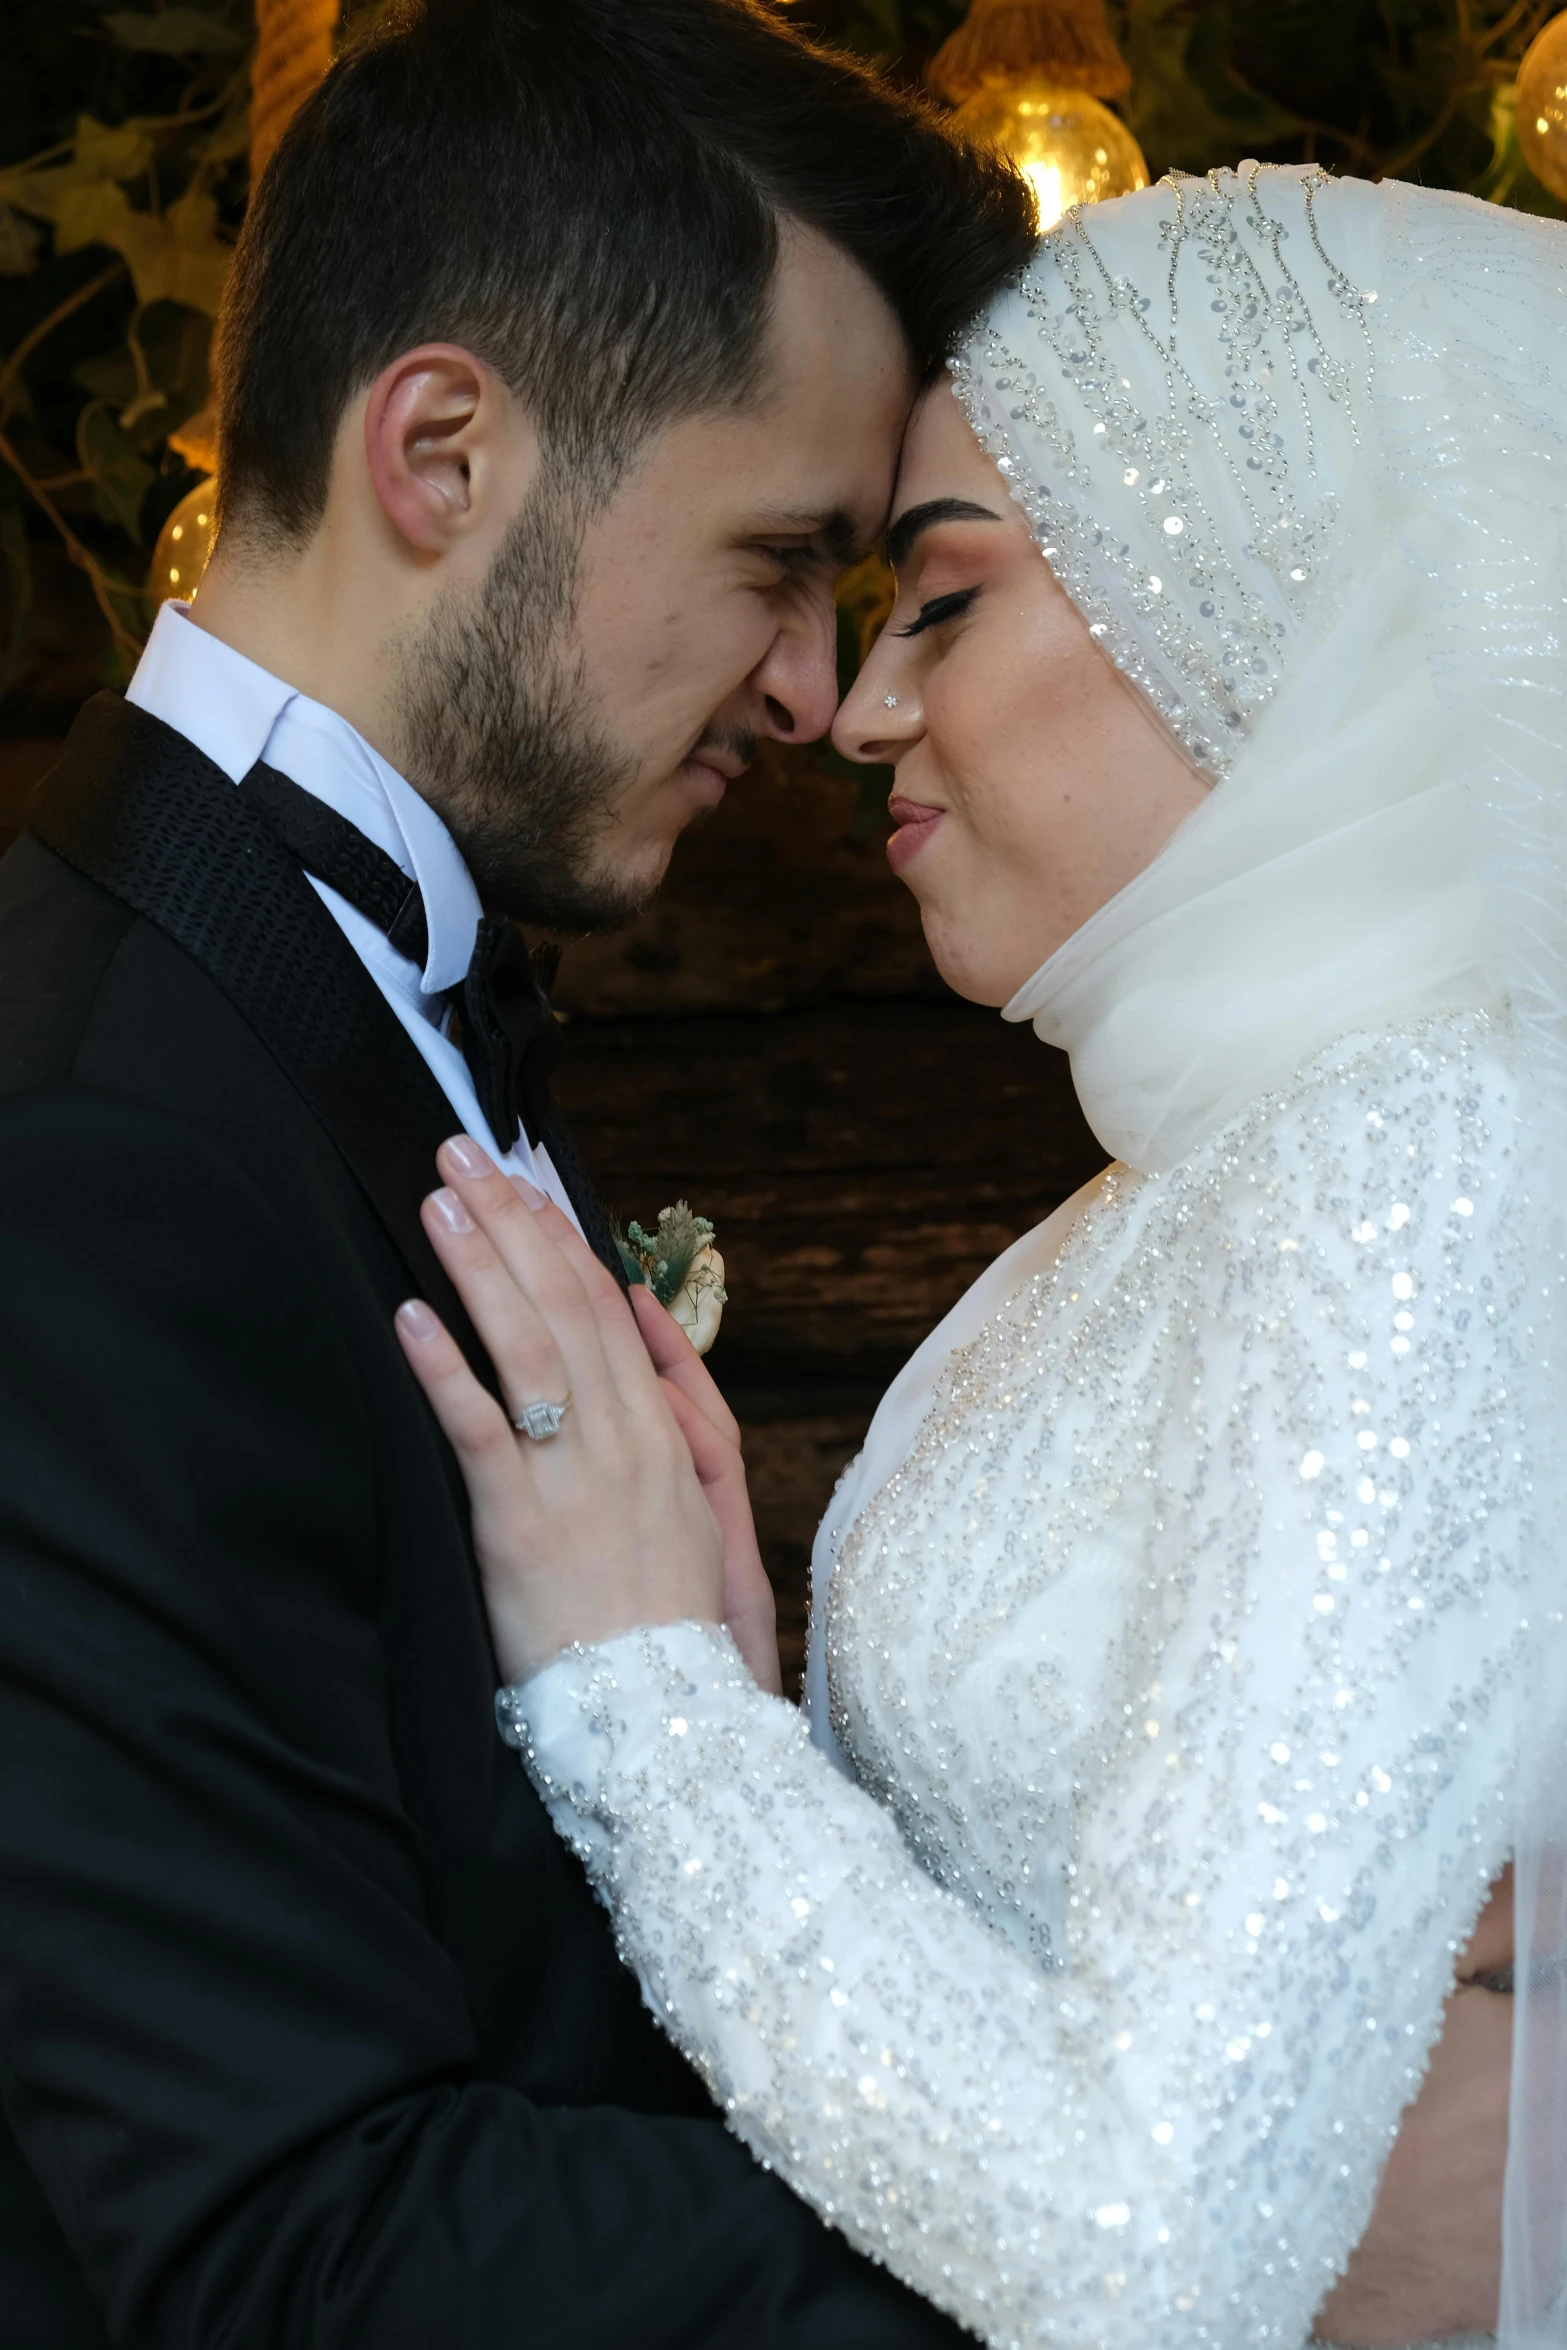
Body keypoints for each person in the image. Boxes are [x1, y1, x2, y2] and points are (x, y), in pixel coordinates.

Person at [394, 164, 1567, 2348]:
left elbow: (1147, 2240)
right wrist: (759, 1699)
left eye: (946, 601)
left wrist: (644, 1701)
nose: (856, 709)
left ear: (1259, 594)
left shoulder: (1408, 1155)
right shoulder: (1141, 1209)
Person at [0, 3, 1041, 2343]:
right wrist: (1134, 2241)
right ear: (444, 451)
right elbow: (291, 2236)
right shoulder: (83, 1154)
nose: (810, 687)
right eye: (782, 559)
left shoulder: (357, 999)